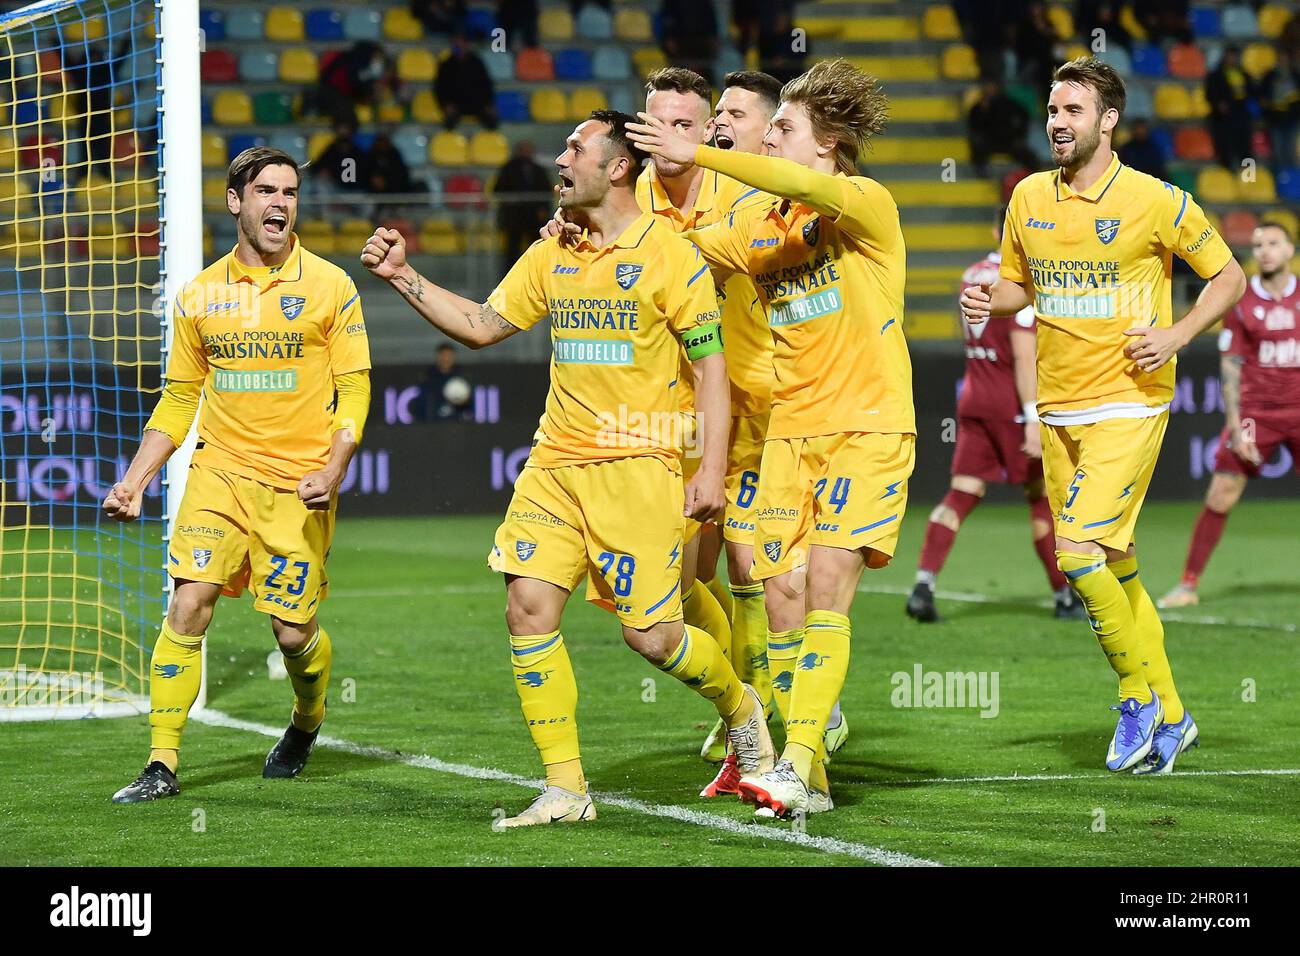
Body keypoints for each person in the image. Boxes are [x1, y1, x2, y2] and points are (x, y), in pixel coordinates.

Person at [360, 110, 774, 828]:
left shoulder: (670, 255)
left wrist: (709, 467)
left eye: (574, 148)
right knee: (526, 605)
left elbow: (711, 368)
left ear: (617, 167)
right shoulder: (552, 252)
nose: (559, 159)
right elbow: (486, 326)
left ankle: (740, 705)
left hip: (639, 465)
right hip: (554, 463)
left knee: (652, 637)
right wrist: (404, 276)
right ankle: (565, 788)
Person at [628, 58, 914, 817]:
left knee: (824, 586)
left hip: (867, 423)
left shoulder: (863, 204)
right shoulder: (756, 226)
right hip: (790, 431)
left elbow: (810, 189)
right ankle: (807, 774)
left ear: (826, 144)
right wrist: (591, 223)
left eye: (783, 128)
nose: (771, 139)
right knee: (778, 592)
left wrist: (704, 153)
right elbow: (671, 251)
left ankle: (797, 759)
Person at [962, 56, 1245, 775]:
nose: (1056, 122)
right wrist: (985, 300)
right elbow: (1018, 287)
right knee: (1116, 568)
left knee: (1077, 554)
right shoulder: (1026, 197)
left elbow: (1229, 276)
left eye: (1072, 111)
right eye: (1052, 111)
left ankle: (1135, 697)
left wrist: (1179, 334)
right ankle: (1175, 718)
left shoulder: (1157, 200)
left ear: (1108, 120)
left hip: (1130, 401)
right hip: (1058, 409)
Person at [104, 147, 371, 802]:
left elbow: (355, 389)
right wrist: (135, 478)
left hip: (298, 483)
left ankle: (306, 721)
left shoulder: (331, 287)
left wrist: (335, 467)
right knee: (188, 603)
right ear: (236, 201)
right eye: (266, 191)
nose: (280, 203)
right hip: (219, 472)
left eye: (290, 193)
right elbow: (178, 398)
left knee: (292, 632)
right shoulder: (199, 296)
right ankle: (161, 764)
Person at [907, 206, 1084, 623]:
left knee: (961, 493)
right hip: (1012, 407)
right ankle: (1063, 598)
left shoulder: (971, 274)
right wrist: (1032, 417)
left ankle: (923, 584)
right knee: (1041, 500)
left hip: (974, 398)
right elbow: (1024, 357)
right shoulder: (1019, 283)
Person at [1161, 223, 1299, 608]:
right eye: (1258, 244)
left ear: (1290, 250)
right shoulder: (1240, 298)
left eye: (1273, 243)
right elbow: (1231, 367)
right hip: (1258, 413)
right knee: (1221, 493)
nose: (1265, 250)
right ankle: (1188, 585)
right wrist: (1238, 427)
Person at [493, 140, 554, 272]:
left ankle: (539, 275)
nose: (527, 152)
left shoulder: (538, 169)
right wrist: (510, 203)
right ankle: (508, 279)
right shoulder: (508, 168)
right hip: (514, 217)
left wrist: (543, 210)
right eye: (524, 149)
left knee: (539, 248)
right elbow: (498, 190)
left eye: (529, 149)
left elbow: (547, 191)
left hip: (535, 218)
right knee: (512, 251)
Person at [967, 78, 1039, 177]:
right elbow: (974, 126)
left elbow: (1023, 117)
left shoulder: (1009, 104)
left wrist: (1020, 135)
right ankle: (981, 176)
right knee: (978, 147)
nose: (990, 90)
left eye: (992, 87)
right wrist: (983, 111)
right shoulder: (978, 107)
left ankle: (1034, 177)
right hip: (988, 141)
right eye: (988, 87)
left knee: (1029, 156)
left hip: (1009, 141)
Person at [434, 35, 499, 131]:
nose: (459, 48)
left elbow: (487, 85)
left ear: (466, 45)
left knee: (492, 122)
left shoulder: (477, 62)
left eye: (461, 45)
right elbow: (440, 88)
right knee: (448, 124)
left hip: (477, 103)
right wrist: (445, 104)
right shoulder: (446, 65)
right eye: (457, 46)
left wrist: (488, 104)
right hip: (455, 104)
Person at [1205, 46, 1254, 171]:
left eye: (1234, 56)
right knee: (1224, 150)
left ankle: (1249, 180)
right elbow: (1209, 94)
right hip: (1223, 120)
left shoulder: (1243, 74)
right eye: (1230, 56)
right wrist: (1218, 105)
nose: (1232, 59)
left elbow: (1252, 92)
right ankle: (1226, 181)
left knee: (1245, 151)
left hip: (1240, 118)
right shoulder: (1215, 76)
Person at [660, 0, 719, 86]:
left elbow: (710, 16)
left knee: (704, 70)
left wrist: (713, 36)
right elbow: (668, 16)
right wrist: (669, 36)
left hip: (702, 39)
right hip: (680, 40)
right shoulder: (672, 2)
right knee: (679, 74)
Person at [419, 342, 473, 421]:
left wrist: (465, 400)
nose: (446, 359)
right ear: (438, 357)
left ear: (453, 357)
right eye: (443, 356)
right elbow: (423, 404)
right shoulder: (428, 378)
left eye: (449, 356)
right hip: (434, 424)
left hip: (456, 424)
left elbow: (469, 407)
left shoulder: (461, 378)